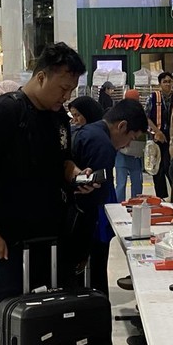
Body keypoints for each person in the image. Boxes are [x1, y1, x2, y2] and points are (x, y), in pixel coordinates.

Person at [0, 42, 90, 345]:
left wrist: (75, 174)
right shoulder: (2, 113)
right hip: (8, 243)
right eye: (63, 87)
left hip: (51, 236)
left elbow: (62, 160)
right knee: (2, 321)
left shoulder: (58, 116)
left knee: (51, 319)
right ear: (41, 77)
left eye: (72, 90)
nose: (66, 96)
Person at [71, 99, 148, 296]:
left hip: (77, 221)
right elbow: (94, 194)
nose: (129, 144)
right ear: (122, 126)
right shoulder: (102, 143)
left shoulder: (90, 132)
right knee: (93, 283)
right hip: (86, 226)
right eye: (131, 137)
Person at [146, 72, 173, 199]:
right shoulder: (153, 97)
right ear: (160, 84)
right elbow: (146, 117)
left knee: (170, 166)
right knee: (157, 168)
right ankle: (161, 196)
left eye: (170, 81)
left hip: (172, 138)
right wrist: (157, 132)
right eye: (165, 82)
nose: (168, 84)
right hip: (157, 137)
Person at [115, 90, 146, 202]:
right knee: (130, 183)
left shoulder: (120, 112)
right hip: (131, 154)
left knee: (122, 183)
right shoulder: (140, 114)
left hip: (127, 153)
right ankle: (133, 205)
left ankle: (121, 206)